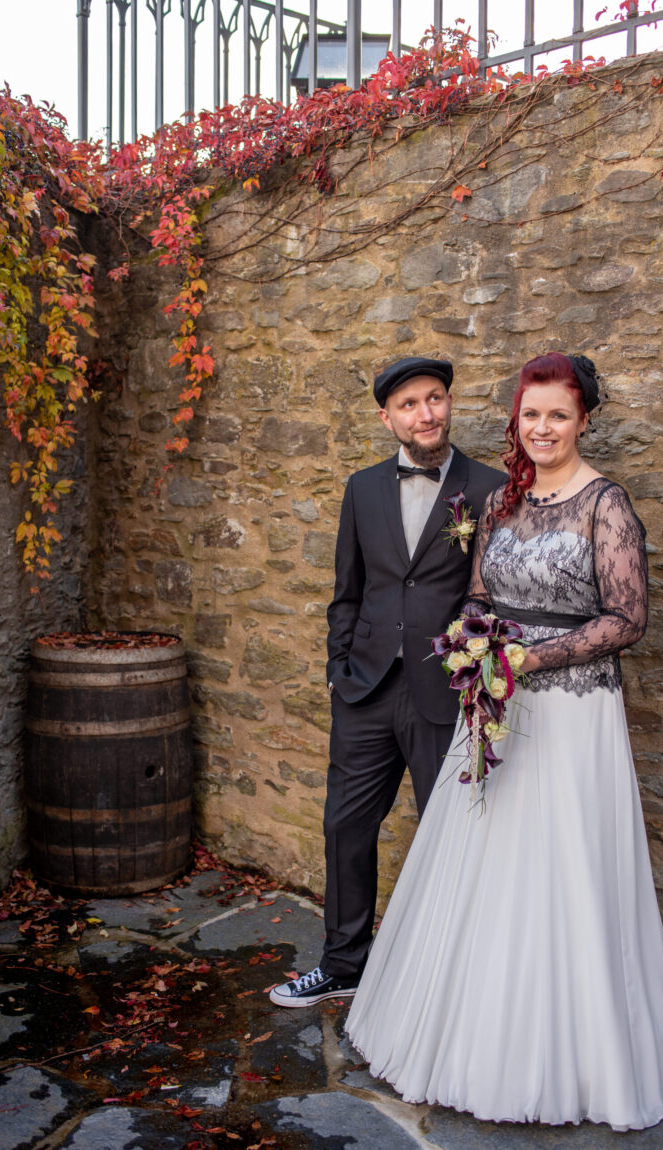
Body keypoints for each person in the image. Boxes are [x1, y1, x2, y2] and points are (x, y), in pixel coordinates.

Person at [345, 352, 663, 1130]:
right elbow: (479, 591)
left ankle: (577, 1052)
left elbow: (627, 620)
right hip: (497, 708)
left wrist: (530, 658)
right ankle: (469, 1034)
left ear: (583, 421)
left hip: (573, 717)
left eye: (558, 415)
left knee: (563, 871)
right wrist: (475, 644)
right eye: (530, 414)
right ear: (516, 418)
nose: (541, 428)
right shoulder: (504, 500)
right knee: (487, 869)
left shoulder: (603, 504)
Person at [270, 356, 505, 1007]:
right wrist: (337, 672)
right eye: (409, 404)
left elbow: (497, 592)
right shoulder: (362, 488)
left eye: (434, 399)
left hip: (447, 693)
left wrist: (474, 675)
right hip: (365, 691)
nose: (425, 413)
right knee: (345, 827)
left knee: (451, 835)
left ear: (449, 403)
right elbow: (347, 592)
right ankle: (343, 965)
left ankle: (449, 976)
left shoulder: (489, 487)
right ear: (387, 417)